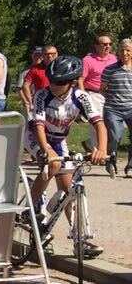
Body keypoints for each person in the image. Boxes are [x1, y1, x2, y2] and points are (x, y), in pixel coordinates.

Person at [28, 55, 108, 257]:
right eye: (51, 81)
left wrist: (101, 150)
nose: (53, 86)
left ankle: (79, 237)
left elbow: (99, 124)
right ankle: (28, 210)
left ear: (72, 83)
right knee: (53, 165)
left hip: (59, 139)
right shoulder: (42, 95)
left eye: (59, 83)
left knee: (68, 190)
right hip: (35, 136)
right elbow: (38, 126)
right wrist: (45, 150)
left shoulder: (81, 97)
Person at [101, 38, 132, 177]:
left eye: (128, 50)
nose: (124, 53)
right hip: (113, 109)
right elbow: (102, 89)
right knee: (115, 136)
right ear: (118, 52)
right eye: (122, 50)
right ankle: (111, 161)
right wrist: (112, 99)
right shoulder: (110, 69)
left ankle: (130, 167)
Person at [83, 33, 117, 116]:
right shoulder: (87, 60)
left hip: (112, 95)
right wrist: (84, 99)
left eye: (110, 44)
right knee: (99, 121)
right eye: (104, 44)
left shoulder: (114, 58)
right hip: (94, 95)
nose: (108, 46)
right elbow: (80, 81)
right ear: (96, 46)